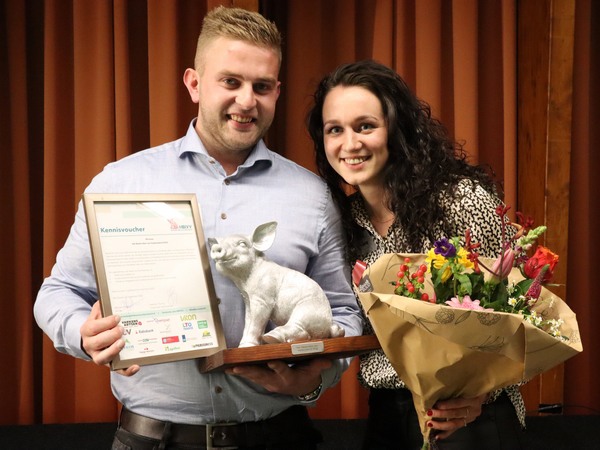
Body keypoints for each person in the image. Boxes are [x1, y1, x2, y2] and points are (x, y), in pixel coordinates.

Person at [34, 7, 362, 450]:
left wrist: (312, 381)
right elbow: (58, 292)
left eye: (261, 86)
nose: (247, 100)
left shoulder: (314, 196)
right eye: (231, 81)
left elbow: (342, 312)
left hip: (279, 437)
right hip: (151, 440)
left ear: (277, 92)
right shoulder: (120, 182)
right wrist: (82, 332)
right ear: (193, 83)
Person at [306, 59, 526, 449]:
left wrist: (481, 394)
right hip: (387, 416)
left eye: (365, 126)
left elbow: (521, 315)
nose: (350, 144)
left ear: (397, 129)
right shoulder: (341, 223)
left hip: (469, 418)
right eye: (334, 129)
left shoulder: (460, 199)